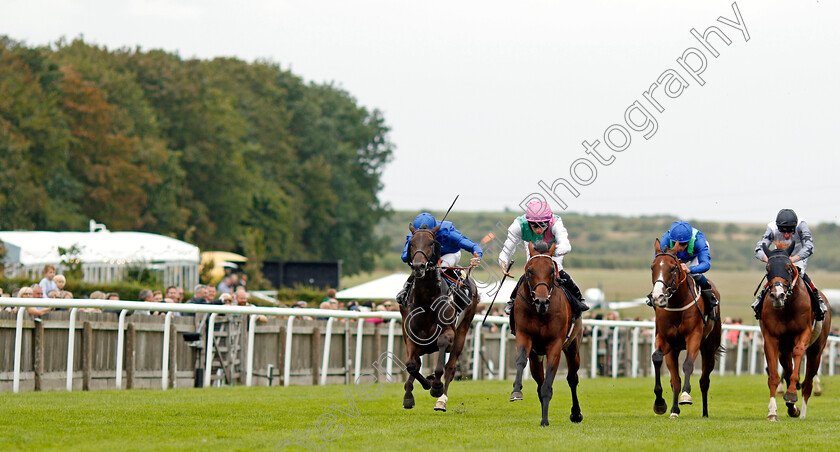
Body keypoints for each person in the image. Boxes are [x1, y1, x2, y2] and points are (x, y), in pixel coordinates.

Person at [498, 200, 588, 332]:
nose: (539, 229)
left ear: (548, 221)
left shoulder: (556, 223)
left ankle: (578, 299)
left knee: (559, 270)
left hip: (553, 249)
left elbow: (566, 246)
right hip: (533, 248)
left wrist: (548, 254)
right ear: (528, 222)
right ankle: (512, 301)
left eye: (543, 225)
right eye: (534, 226)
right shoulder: (518, 225)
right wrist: (503, 262)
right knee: (532, 272)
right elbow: (507, 249)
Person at [752, 208, 827, 321]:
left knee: (800, 274)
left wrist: (792, 259)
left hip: (798, 257)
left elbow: (809, 247)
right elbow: (758, 249)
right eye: (783, 232)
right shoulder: (772, 228)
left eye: (790, 231)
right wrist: (770, 259)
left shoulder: (801, 226)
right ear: (778, 227)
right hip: (779, 257)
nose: (786, 235)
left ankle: (818, 300)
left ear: (795, 227)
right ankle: (760, 299)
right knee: (775, 276)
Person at [396, 212, 483, 306]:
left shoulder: (448, 232)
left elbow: (473, 246)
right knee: (418, 267)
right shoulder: (415, 236)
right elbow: (404, 257)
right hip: (429, 256)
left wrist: (477, 256)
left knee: (442, 267)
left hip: (450, 253)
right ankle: (406, 289)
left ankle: (459, 289)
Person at [653, 220, 719, 318]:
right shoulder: (665, 239)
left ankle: (711, 299)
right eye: (676, 243)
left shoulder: (699, 241)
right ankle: (654, 296)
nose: (679, 247)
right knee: (664, 273)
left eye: (683, 244)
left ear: (689, 241)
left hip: (695, 255)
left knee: (696, 275)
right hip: (674, 257)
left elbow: (706, 264)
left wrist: (690, 269)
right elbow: (658, 262)